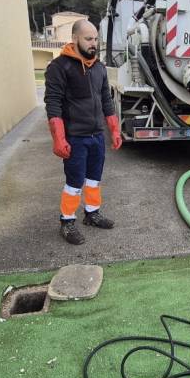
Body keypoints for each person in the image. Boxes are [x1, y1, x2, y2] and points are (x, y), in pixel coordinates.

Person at [44, 20, 123, 245]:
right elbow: (53, 103)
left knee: (94, 179)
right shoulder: (59, 67)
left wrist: (114, 130)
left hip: (96, 136)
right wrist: (59, 138)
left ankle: (92, 213)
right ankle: (67, 221)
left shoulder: (99, 68)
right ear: (75, 38)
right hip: (75, 138)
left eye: (96, 39)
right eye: (88, 39)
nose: (93, 43)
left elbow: (106, 100)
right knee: (75, 181)